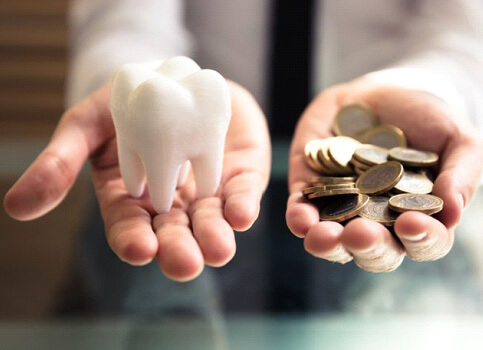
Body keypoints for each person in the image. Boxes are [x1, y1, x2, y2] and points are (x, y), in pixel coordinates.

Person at [3, 0, 483, 312]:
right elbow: (123, 18)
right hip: (173, 189)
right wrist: (135, 89)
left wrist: (430, 91)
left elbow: (462, 30)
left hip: (406, 271)